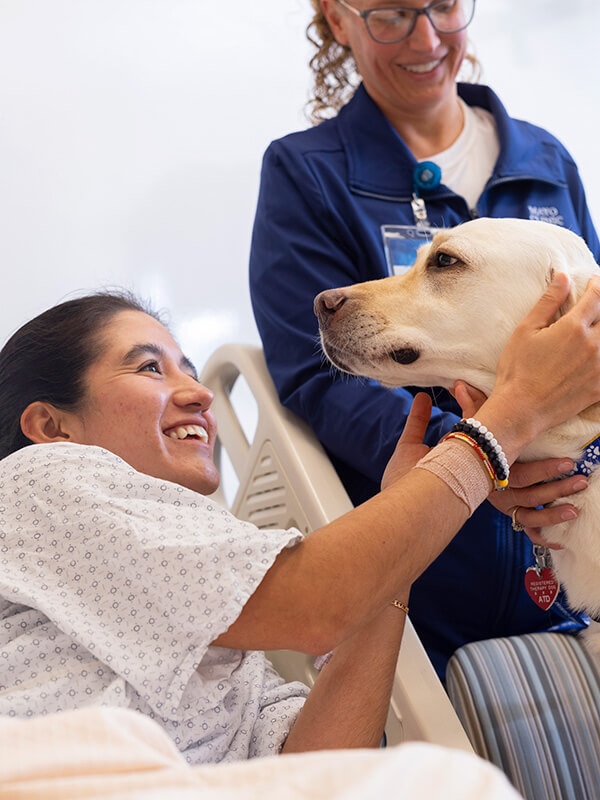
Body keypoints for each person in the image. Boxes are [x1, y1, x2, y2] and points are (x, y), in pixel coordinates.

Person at [1, 281, 600, 766]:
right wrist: (507, 421)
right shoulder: (35, 484)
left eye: (189, 371)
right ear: (52, 427)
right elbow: (316, 605)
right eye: (150, 370)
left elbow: (317, 764)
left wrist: (397, 555)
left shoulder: (214, 620)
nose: (200, 395)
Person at [248, 0, 600, 679]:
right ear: (338, 19)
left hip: (569, 566)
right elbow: (319, 379)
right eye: (391, 14)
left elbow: (588, 346)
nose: (427, 37)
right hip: (431, 578)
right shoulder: (307, 172)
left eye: (442, 6)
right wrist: (477, 455)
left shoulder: (547, 160)